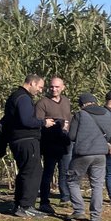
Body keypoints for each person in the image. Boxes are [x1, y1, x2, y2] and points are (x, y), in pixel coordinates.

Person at [4, 74, 56, 217]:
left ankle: (19, 205)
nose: (40, 90)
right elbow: (27, 120)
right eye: (39, 87)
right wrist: (43, 123)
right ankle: (27, 205)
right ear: (32, 83)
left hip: (17, 140)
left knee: (25, 171)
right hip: (26, 140)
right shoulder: (24, 98)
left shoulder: (15, 96)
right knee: (33, 172)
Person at [67, 93, 111, 221]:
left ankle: (78, 210)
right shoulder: (106, 114)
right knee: (97, 185)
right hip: (101, 154)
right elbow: (110, 135)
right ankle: (95, 217)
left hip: (83, 153)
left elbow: (71, 136)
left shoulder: (80, 114)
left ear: (82, 104)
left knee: (72, 181)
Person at [35, 76, 72, 214]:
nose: (54, 89)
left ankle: (65, 197)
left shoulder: (67, 102)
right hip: (50, 143)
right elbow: (38, 123)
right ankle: (44, 201)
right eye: (51, 86)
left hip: (65, 142)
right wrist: (51, 123)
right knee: (48, 173)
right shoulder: (42, 103)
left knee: (65, 171)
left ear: (63, 87)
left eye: (57, 86)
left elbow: (69, 119)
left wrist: (66, 128)